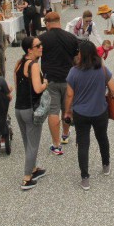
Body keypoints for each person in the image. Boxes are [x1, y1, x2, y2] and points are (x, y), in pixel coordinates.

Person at [64, 41, 114, 191]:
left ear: (81, 54)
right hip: (100, 111)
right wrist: (105, 95)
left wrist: (68, 111)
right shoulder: (102, 69)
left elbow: (69, 95)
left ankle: (85, 178)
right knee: (102, 138)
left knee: (83, 144)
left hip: (81, 113)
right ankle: (106, 165)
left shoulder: (74, 72)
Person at [38, 11, 79, 155]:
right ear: (59, 21)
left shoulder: (42, 39)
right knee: (67, 108)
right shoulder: (71, 38)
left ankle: (56, 145)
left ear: (47, 23)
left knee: (53, 110)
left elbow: (35, 58)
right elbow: (76, 59)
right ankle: (66, 135)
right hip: (69, 79)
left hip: (51, 79)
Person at [14, 36, 49, 190]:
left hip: (19, 108)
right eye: (37, 46)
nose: (41, 47)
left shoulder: (19, 63)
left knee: (27, 142)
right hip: (31, 109)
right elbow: (37, 89)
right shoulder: (33, 65)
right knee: (33, 145)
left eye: (41, 45)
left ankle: (34, 169)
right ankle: (27, 178)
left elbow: (17, 86)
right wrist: (45, 83)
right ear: (30, 50)